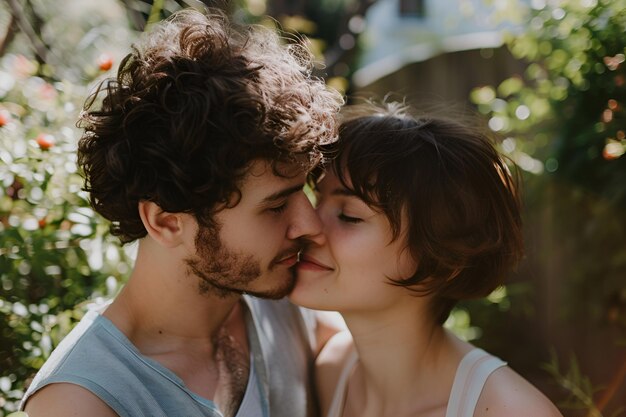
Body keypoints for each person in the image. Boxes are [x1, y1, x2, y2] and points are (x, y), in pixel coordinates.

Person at [20, 8, 343, 417]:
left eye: (302, 193)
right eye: (276, 205)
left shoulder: (283, 305)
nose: (310, 224)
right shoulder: (82, 401)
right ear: (166, 221)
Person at [290, 102, 563, 417]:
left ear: (441, 258)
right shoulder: (332, 371)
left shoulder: (510, 412)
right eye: (317, 198)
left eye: (348, 216)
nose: (308, 226)